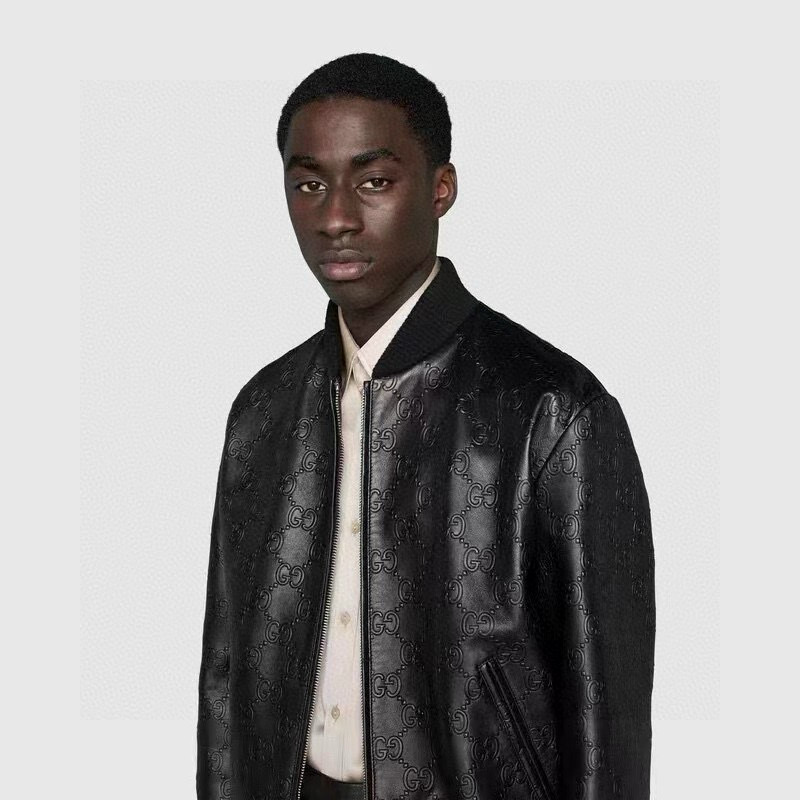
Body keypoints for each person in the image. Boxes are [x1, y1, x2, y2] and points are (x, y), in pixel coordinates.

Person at [196, 53, 655, 800]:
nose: (336, 218)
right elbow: (227, 677)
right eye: (308, 184)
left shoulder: (551, 409)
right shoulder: (263, 411)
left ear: (441, 188)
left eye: (374, 180)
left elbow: (609, 716)